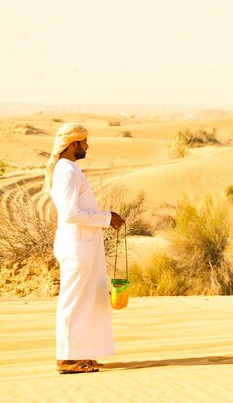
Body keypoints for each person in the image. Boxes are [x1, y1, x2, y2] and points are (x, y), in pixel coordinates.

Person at [43, 123, 125, 374]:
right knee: (73, 302)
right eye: (83, 142)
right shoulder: (66, 171)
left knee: (89, 301)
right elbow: (70, 213)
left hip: (85, 246)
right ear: (72, 144)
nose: (87, 146)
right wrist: (106, 217)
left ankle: (81, 353)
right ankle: (66, 359)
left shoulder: (70, 169)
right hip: (76, 247)